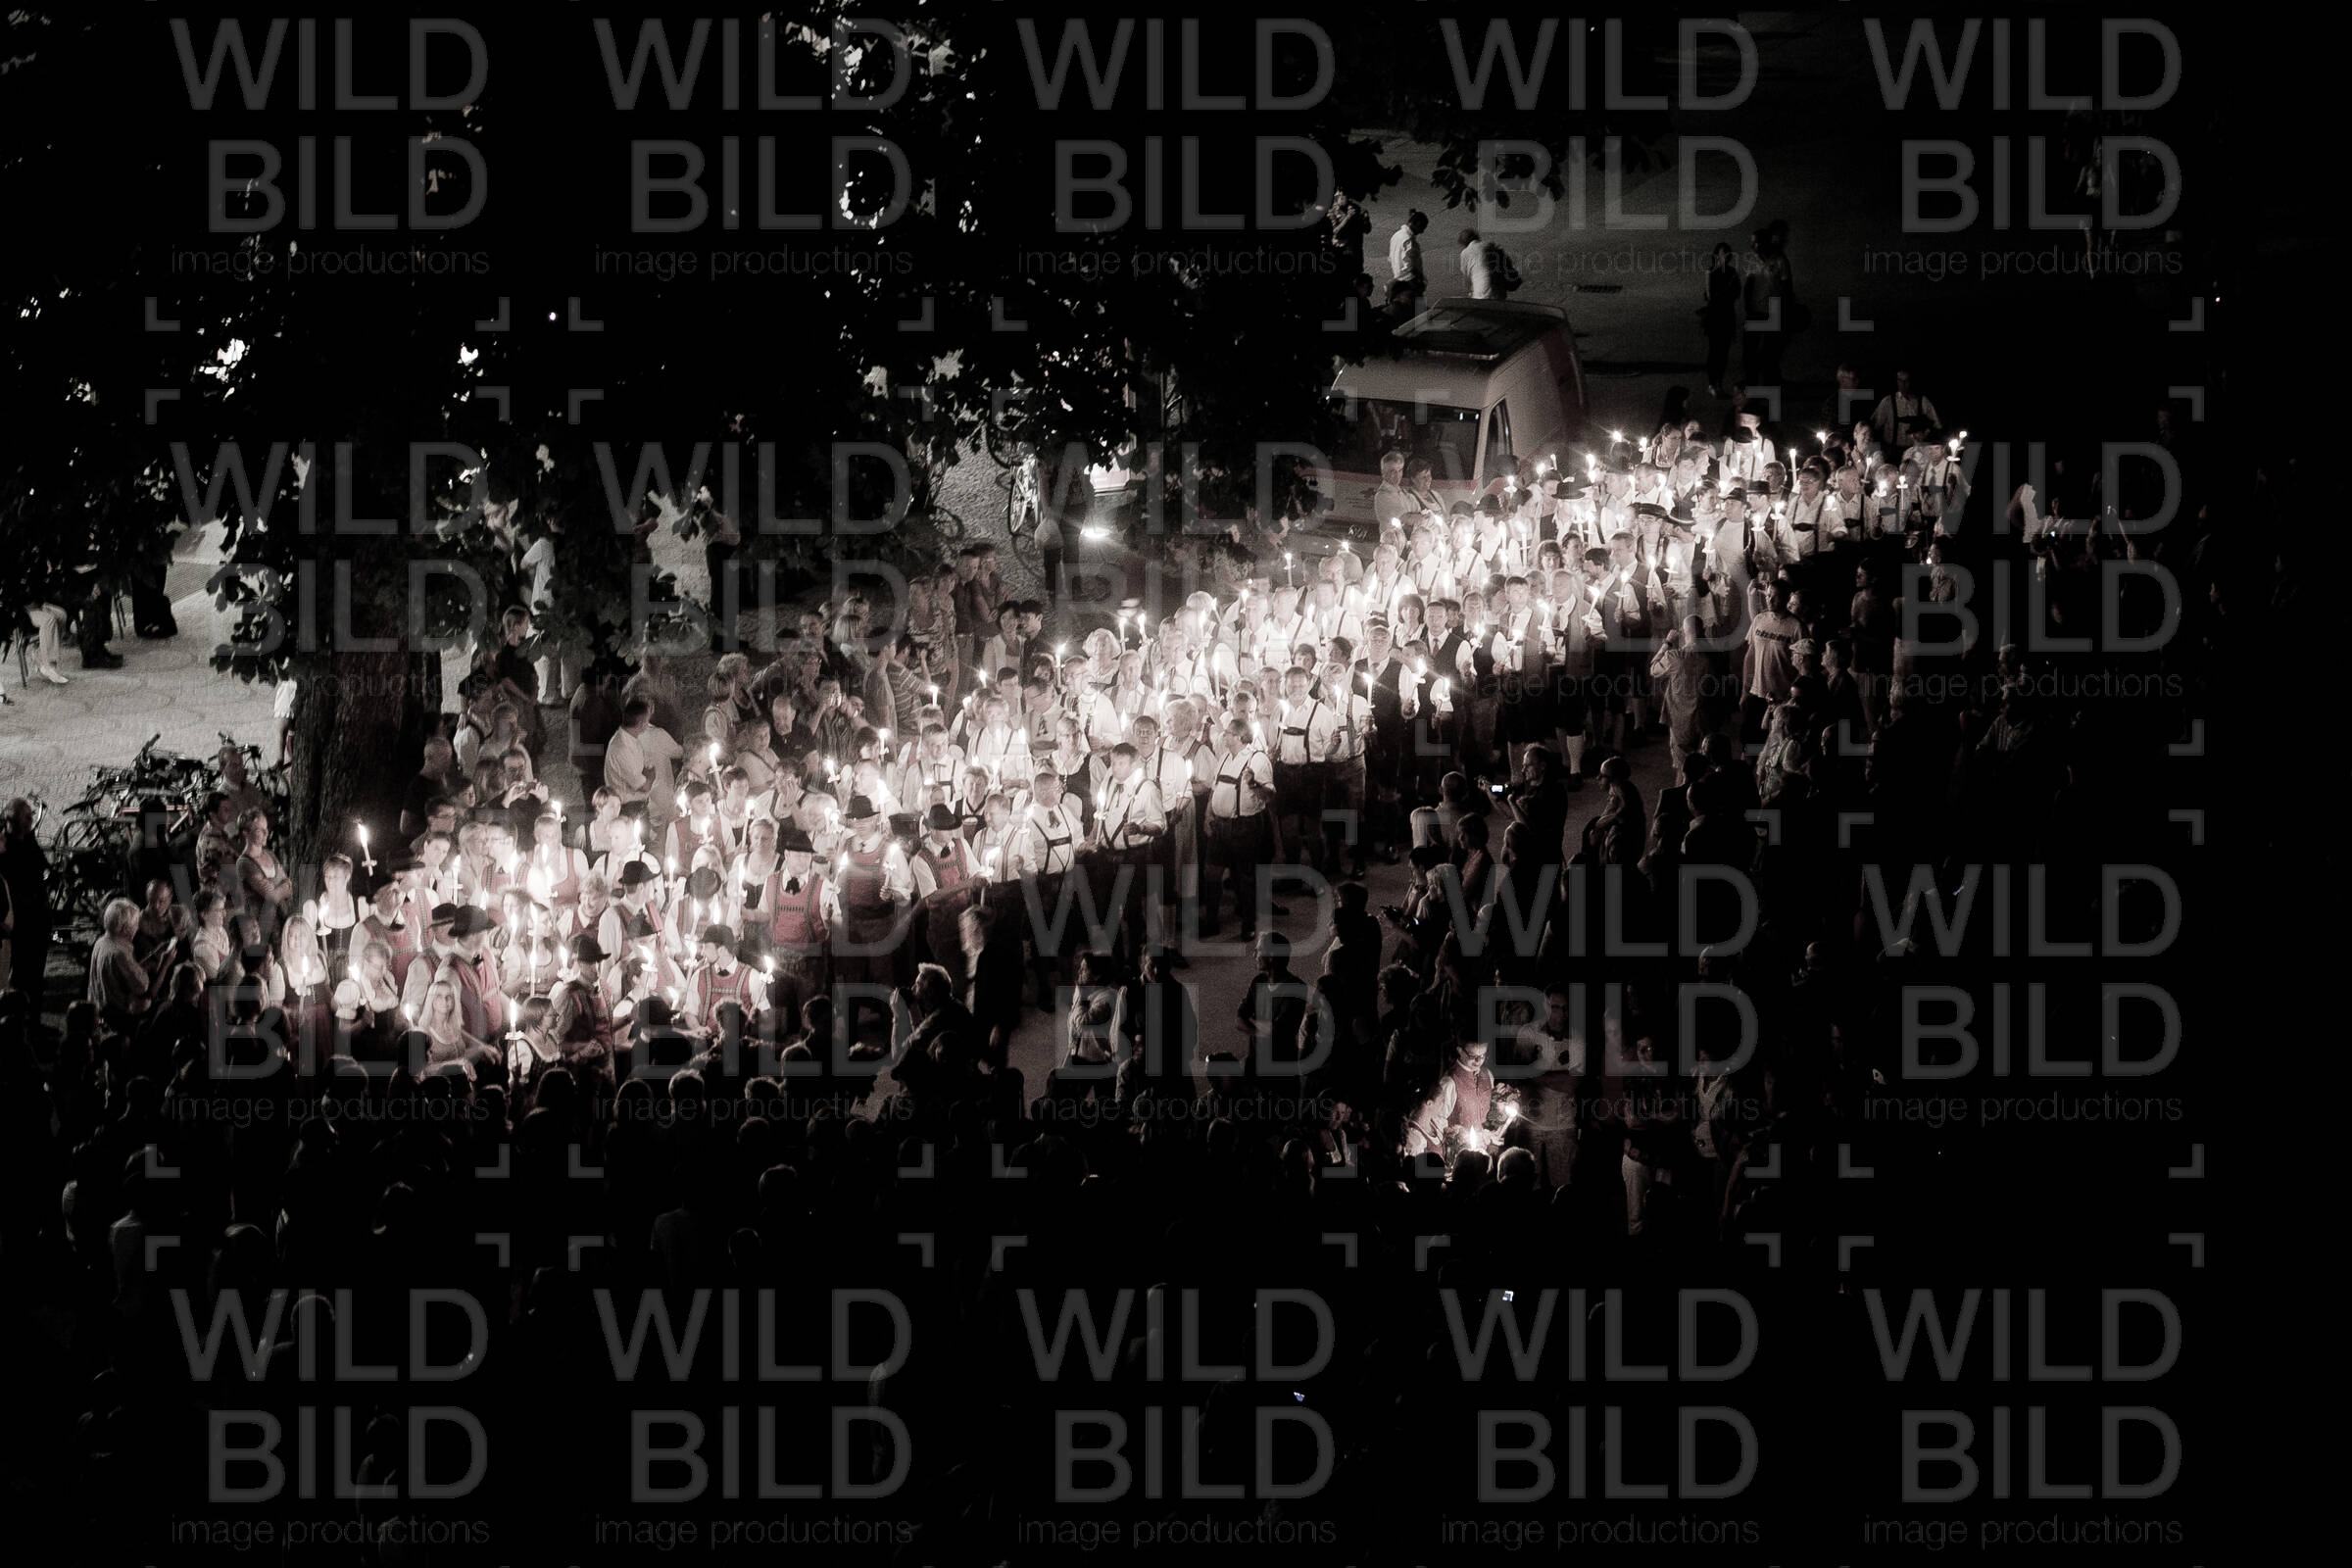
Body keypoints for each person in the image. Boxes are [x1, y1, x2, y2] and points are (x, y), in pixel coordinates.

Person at [1699, 241, 1740, 397]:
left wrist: (1723, 295)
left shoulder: (1732, 272)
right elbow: (1709, 295)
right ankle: (1712, 383)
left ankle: (1718, 383)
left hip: (1725, 314)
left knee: (1723, 352)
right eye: (1724, 253)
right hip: (1716, 315)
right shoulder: (1712, 272)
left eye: (1728, 253)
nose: (1727, 256)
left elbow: (1736, 293)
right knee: (1715, 350)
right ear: (1717, 255)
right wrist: (1725, 295)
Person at [1387, 208, 1428, 317]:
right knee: (1417, 314)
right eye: (1422, 227)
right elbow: (1409, 265)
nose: (1422, 231)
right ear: (1416, 223)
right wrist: (1419, 279)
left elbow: (1391, 258)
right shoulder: (1408, 240)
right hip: (1409, 281)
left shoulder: (1396, 235)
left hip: (1398, 278)